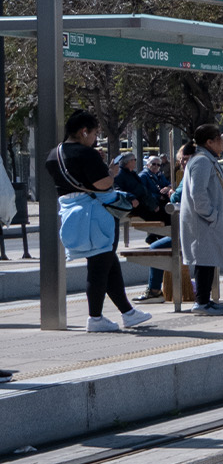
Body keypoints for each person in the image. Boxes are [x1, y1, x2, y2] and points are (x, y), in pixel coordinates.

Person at [47, 110, 153, 332]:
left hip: (71, 212)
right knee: (98, 267)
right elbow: (102, 184)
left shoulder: (53, 155)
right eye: (94, 133)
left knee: (107, 263)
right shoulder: (87, 154)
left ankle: (128, 313)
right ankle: (95, 317)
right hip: (95, 214)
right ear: (84, 131)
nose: (95, 138)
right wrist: (111, 173)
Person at [178, 124, 223, 316]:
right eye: (220, 139)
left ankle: (205, 300)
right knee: (204, 260)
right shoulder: (201, 161)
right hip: (203, 221)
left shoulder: (206, 160)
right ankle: (200, 302)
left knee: (208, 260)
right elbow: (198, 194)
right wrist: (212, 215)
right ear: (209, 142)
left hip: (207, 221)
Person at [137, 144, 193, 302]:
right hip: (194, 228)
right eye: (180, 160)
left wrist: (170, 192)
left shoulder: (190, 176)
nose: (183, 163)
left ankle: (154, 290)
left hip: (192, 231)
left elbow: (177, 198)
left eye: (186, 159)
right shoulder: (145, 176)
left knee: (156, 248)